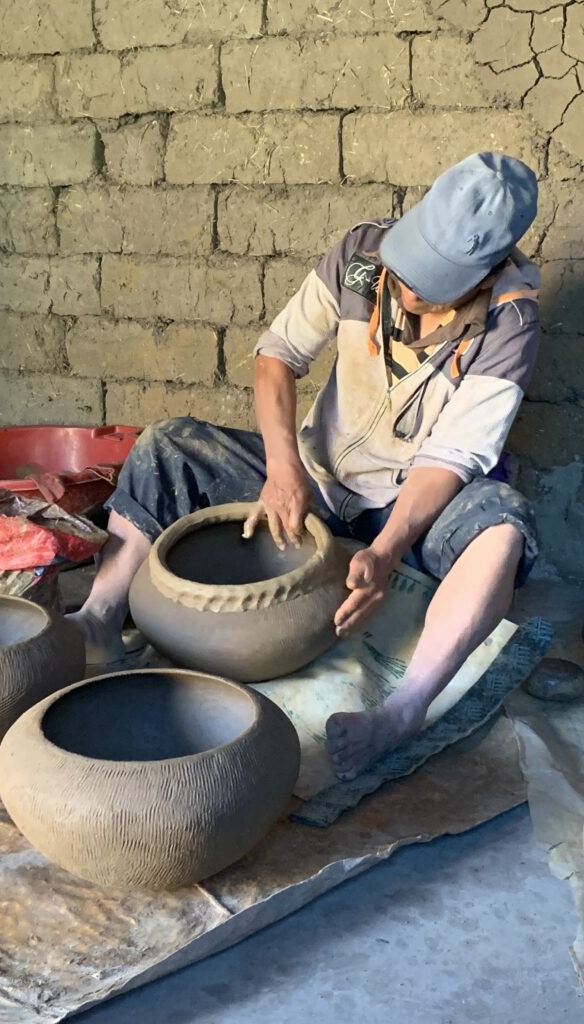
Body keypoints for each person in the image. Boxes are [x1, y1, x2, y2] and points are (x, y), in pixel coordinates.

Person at [70, 151, 540, 781]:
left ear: (485, 272)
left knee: (503, 525)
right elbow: (277, 356)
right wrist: (283, 463)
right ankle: (100, 619)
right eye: (409, 268)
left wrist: (391, 549)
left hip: (407, 503)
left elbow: (451, 459)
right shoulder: (363, 254)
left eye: (432, 283)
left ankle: (400, 713)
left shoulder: (510, 320)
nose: (407, 289)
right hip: (317, 479)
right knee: (170, 444)